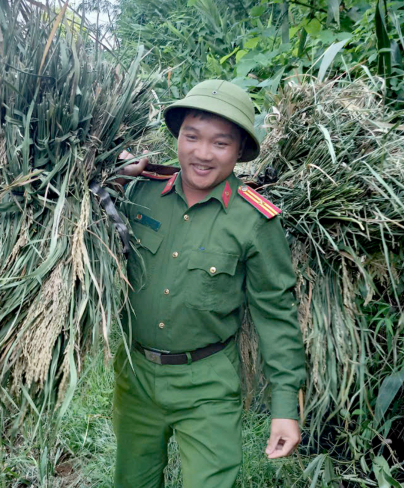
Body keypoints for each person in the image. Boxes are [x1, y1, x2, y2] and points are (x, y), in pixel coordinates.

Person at [113, 79, 307, 488]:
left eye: (220, 143)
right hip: (136, 378)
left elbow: (277, 316)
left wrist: (285, 407)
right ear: (177, 138)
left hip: (207, 384)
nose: (202, 154)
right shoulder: (138, 194)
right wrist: (109, 169)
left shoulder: (255, 220)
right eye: (192, 137)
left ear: (239, 151)